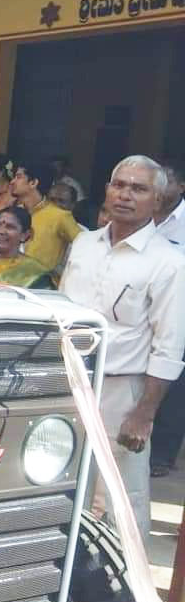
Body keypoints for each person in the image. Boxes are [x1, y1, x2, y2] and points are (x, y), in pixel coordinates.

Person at [60, 155, 185, 537]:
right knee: (64, 482)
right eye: (119, 185)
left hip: (121, 391)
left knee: (119, 495)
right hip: (67, 381)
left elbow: (169, 347)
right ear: (107, 190)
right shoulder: (84, 244)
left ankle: (125, 574)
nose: (125, 195)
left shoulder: (169, 263)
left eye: (138, 189)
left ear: (157, 201)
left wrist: (144, 414)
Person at [149, 161, 185, 477]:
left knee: (174, 383)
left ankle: (162, 453)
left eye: (168, 179)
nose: (161, 184)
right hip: (145, 308)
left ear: (181, 187)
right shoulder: (143, 215)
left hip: (179, 309)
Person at [9, 160, 81, 276]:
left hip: (42, 284)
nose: (12, 182)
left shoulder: (60, 216)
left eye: (18, 177)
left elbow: (86, 248)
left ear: (33, 183)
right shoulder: (14, 213)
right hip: (10, 279)